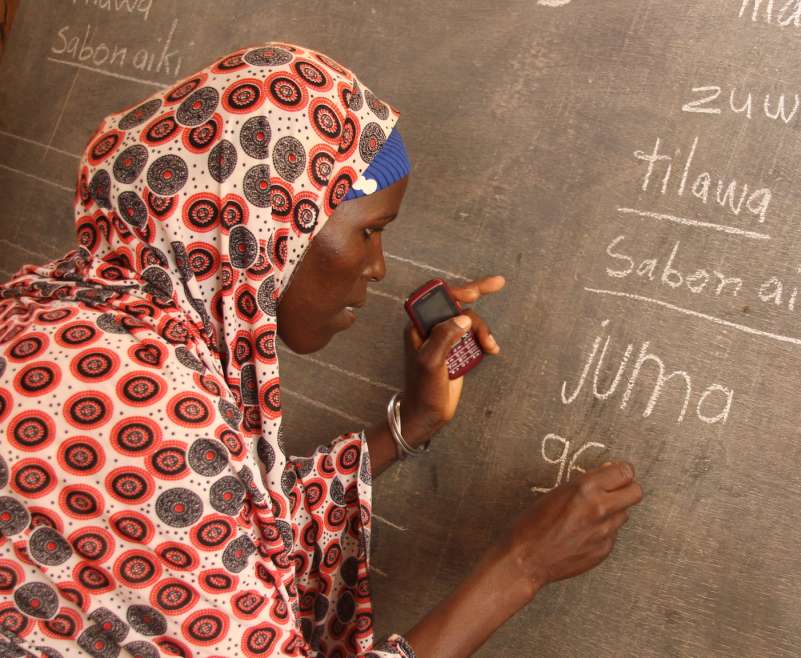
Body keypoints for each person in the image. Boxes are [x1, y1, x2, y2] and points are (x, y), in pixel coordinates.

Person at [0, 42, 642, 658]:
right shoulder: (126, 403)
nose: (379, 268)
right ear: (267, 222)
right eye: (369, 233)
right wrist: (521, 567)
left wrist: (410, 424)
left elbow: (219, 536)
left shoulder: (87, 321)